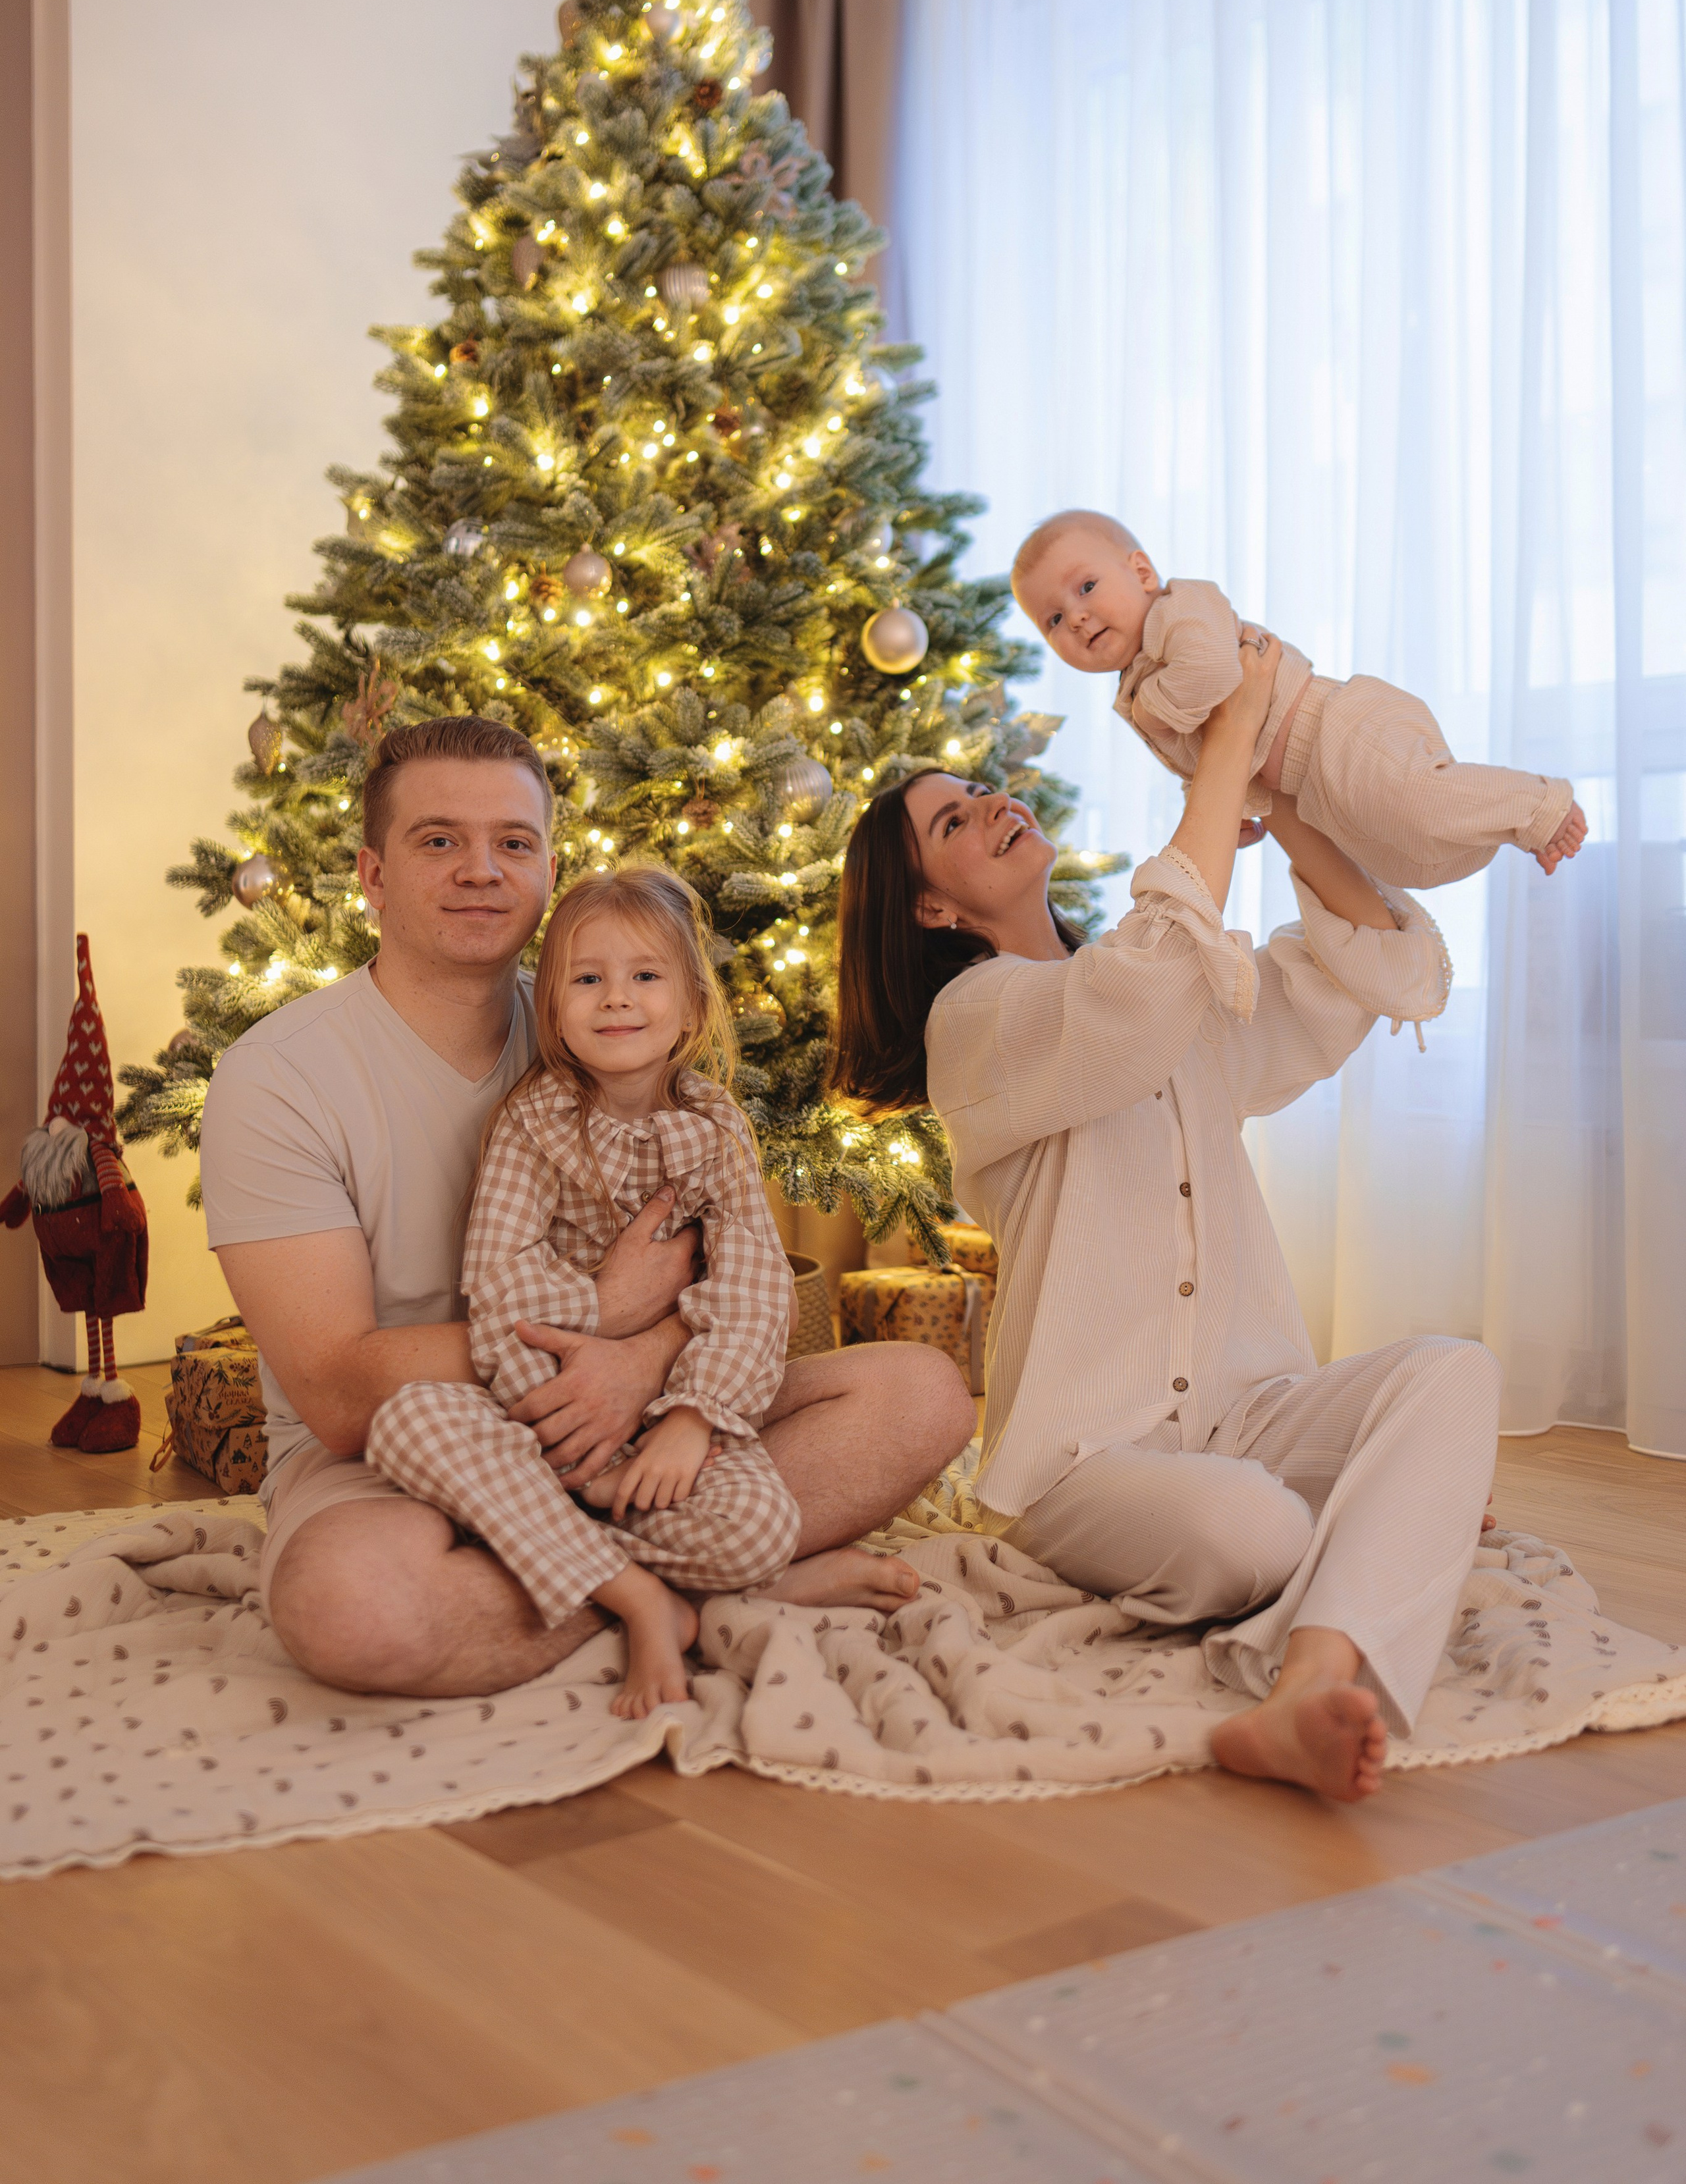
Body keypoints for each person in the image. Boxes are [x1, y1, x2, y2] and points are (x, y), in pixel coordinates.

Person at [830, 631, 1501, 1805]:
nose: (991, 805)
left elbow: (1378, 966)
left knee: (1452, 1376)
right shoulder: (979, 1026)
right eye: (951, 823)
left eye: (983, 790)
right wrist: (1224, 752)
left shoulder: (1174, 984)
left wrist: (1280, 794)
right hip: (1092, 1462)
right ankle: (1368, 1547)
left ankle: (1309, 1680)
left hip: (1251, 1414)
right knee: (1257, 1534)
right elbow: (1125, 1000)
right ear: (932, 908)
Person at [202, 716, 975, 1699]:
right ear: (372, 874)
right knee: (351, 1607)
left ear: (548, 867)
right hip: (420, 1448)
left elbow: (713, 1271)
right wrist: (602, 1316)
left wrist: (639, 1365)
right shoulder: (276, 1078)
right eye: (439, 840)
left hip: (643, 1416)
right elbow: (342, 1396)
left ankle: (601, 1577)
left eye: (513, 844)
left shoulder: (608, 1018)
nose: (482, 870)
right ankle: (717, 1582)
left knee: (924, 1392)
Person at [366, 863, 804, 1721]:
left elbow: (754, 1289)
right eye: (588, 980)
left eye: (645, 977)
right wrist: (596, 1321)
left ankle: (560, 1547)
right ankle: (642, 1597)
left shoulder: (715, 1130)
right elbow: (500, 1296)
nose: (617, 1000)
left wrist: (689, 1420)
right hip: (537, 1418)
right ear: (553, 1007)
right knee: (408, 1421)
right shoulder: (535, 1124)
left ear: (693, 1006)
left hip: (670, 1431)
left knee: (759, 1528)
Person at [1012, 508, 1586, 882]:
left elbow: (1211, 673)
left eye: (1086, 587)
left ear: (1141, 572)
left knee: (1416, 796)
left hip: (1339, 729)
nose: (1078, 618)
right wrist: (1215, 804)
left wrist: (1151, 710)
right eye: (1054, 619)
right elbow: (1201, 748)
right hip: (1309, 785)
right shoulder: (1134, 683)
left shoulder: (1181, 607)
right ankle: (1505, 828)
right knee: (1404, 857)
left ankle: (1540, 804)